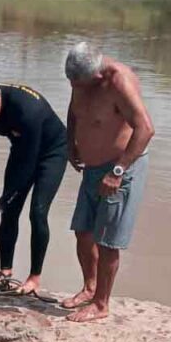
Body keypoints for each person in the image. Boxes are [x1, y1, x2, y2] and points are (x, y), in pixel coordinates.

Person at [63, 42, 155, 323]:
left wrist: (117, 171)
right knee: (83, 232)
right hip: (91, 169)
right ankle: (90, 288)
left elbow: (146, 128)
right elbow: (74, 111)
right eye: (73, 83)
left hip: (120, 169)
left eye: (82, 83)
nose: (77, 88)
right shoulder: (80, 78)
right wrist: (71, 144)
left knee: (107, 241)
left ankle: (101, 304)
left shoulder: (118, 81)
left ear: (98, 76)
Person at [0, 80, 68, 295]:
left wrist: (0, 205)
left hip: (52, 152)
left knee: (37, 212)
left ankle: (34, 277)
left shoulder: (28, 110)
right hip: (22, 148)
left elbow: (29, 167)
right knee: (11, 212)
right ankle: (6, 274)